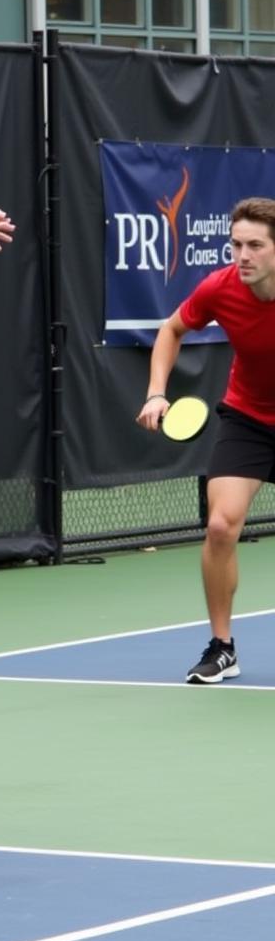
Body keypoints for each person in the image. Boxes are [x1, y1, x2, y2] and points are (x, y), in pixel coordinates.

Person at [136, 197, 275, 685]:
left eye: (256, 245)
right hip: (249, 417)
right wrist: (157, 393)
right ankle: (222, 647)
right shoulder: (220, 287)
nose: (243, 255)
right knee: (219, 526)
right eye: (237, 244)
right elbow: (172, 329)